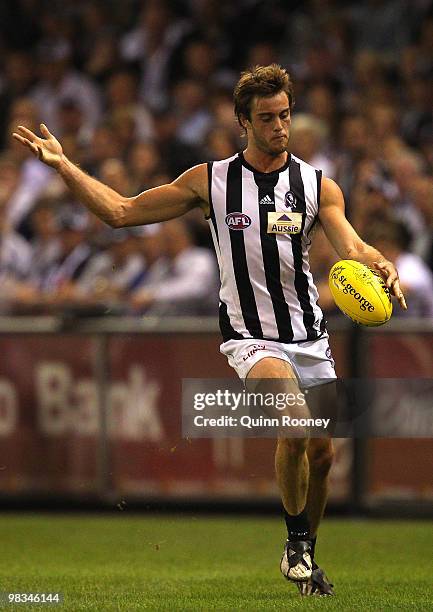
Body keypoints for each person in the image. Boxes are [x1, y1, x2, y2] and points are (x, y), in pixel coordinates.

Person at [13, 64, 407, 597]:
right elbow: (122, 212)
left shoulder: (317, 186)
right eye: (267, 118)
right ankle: (295, 541)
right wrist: (65, 166)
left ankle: (305, 554)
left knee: (323, 455)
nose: (280, 127)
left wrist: (381, 264)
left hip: (309, 336)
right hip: (251, 337)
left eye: (285, 115)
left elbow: (353, 247)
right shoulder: (211, 181)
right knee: (292, 425)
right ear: (243, 121)